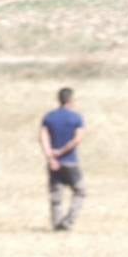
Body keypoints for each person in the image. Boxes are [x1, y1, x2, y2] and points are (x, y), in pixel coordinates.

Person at [40, 87, 87, 231]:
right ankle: (68, 221)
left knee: (56, 193)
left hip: (54, 162)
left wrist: (50, 156)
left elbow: (43, 137)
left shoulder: (49, 117)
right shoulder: (76, 118)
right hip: (70, 161)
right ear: (71, 100)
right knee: (80, 191)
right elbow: (77, 138)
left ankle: (57, 223)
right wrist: (62, 151)